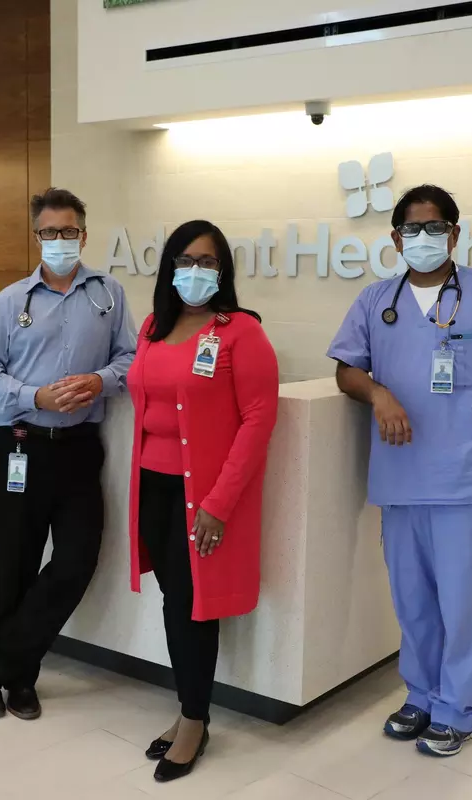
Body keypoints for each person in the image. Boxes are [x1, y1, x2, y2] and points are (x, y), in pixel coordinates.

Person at [328, 185, 472, 757]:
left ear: (454, 233)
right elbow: (346, 370)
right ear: (395, 238)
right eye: (412, 229)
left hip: (469, 480)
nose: (424, 238)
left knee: (463, 602)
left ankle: (459, 706)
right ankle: (421, 695)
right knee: (414, 600)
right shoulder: (377, 300)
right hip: (401, 480)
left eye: (436, 227)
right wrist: (378, 394)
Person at [0, 188, 136, 721]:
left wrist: (100, 380)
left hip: (80, 449)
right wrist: (33, 397)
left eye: (69, 231)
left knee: (76, 558)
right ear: (36, 236)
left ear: (84, 235)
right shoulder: (9, 301)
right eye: (49, 232)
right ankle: (18, 681)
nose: (60, 241)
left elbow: (131, 360)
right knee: (13, 562)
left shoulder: (107, 294)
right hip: (20, 444)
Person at [127, 220, 279, 782]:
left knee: (194, 604)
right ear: (169, 267)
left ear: (224, 271)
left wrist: (218, 503)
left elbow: (259, 420)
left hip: (202, 498)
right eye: (186, 260)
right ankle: (189, 708)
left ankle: (194, 720)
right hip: (152, 486)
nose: (196, 271)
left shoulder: (240, 332)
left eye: (208, 262)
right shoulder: (152, 326)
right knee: (174, 600)